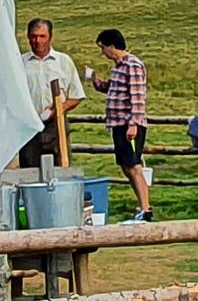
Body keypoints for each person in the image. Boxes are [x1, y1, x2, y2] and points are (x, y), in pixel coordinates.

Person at [94, 28, 153, 221]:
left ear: (112, 46)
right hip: (118, 123)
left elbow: (137, 96)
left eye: (103, 48)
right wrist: (99, 84)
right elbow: (115, 90)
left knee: (133, 165)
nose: (103, 52)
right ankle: (143, 206)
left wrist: (134, 123)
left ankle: (146, 208)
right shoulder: (118, 67)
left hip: (128, 124)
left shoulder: (132, 65)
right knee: (126, 166)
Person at [13, 15, 86, 167]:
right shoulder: (19, 63)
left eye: (42, 36)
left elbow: (76, 95)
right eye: (33, 36)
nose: (37, 41)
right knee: (30, 170)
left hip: (55, 125)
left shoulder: (63, 61)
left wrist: (59, 108)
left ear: (50, 37)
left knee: (60, 167)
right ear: (28, 37)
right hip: (29, 126)